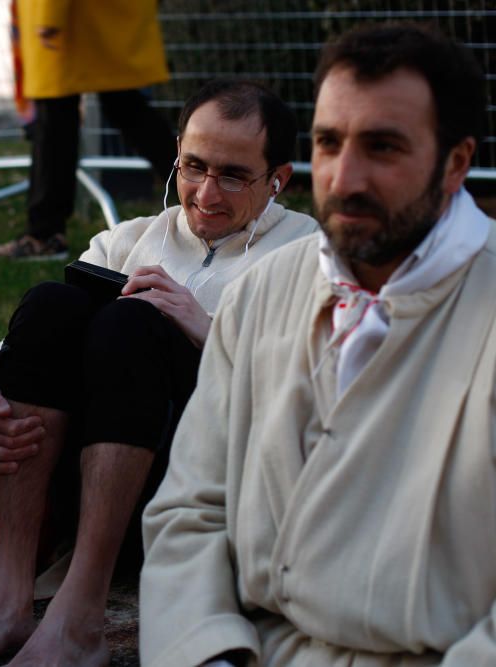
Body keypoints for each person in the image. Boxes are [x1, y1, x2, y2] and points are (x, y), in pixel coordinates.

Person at [140, 23, 494, 667]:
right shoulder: (261, 294)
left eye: (383, 147)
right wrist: (207, 654)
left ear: (456, 163)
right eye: (329, 143)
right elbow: (188, 513)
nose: (344, 176)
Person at [0, 80, 319, 665]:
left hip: (209, 492)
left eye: (234, 176)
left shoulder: (307, 253)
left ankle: (79, 615)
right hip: (86, 481)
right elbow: (24, 343)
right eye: (194, 167)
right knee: (51, 302)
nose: (206, 194)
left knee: (130, 323)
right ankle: (9, 601)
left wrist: (203, 327)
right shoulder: (130, 238)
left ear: (279, 179)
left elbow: (313, 387)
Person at [0, 0, 177, 260]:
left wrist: (48, 15)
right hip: (92, 20)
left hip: (70, 23)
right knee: (127, 111)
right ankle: (198, 189)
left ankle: (44, 235)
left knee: (56, 127)